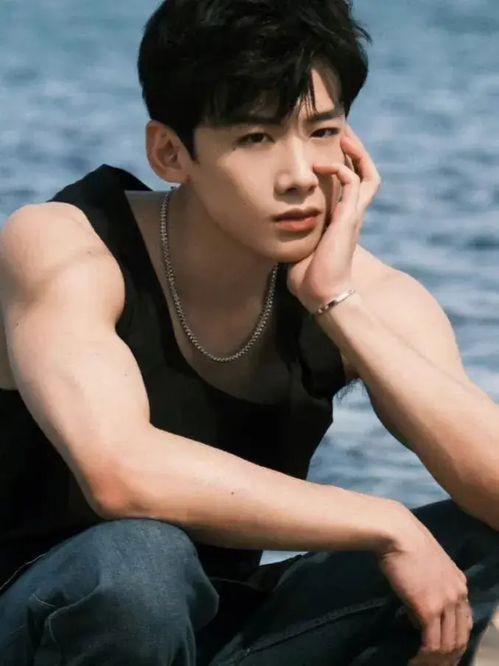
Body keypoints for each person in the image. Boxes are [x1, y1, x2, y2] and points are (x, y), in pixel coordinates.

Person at [0, 0, 497, 663]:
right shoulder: (65, 244)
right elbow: (118, 473)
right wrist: (385, 520)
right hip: (44, 619)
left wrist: (335, 302)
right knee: (138, 560)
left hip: (223, 630)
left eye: (321, 131)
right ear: (170, 152)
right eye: (255, 139)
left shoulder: (365, 291)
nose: (299, 176)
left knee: (477, 543)